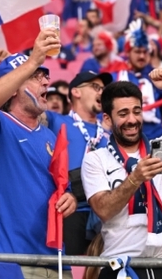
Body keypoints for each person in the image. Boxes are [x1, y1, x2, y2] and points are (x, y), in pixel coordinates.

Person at [82, 71, 162, 279]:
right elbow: (103, 210)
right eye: (123, 114)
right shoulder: (96, 159)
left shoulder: (161, 148)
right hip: (122, 265)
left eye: (137, 111)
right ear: (107, 118)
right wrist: (134, 179)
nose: (132, 120)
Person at [0, 30, 77, 279]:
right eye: (36, 77)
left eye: (45, 77)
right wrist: (33, 60)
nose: (46, 83)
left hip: (56, 261)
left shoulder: (49, 136)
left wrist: (70, 200)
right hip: (10, 260)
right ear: (10, 89)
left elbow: (64, 189)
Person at [46, 71, 113, 255]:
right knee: (70, 268)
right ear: (76, 92)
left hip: (104, 213)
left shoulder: (110, 132)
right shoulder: (56, 120)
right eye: (96, 87)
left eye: (103, 89)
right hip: (69, 209)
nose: (101, 92)